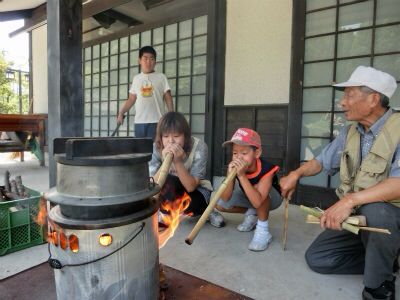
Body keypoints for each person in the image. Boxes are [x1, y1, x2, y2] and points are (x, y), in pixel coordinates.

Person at [280, 66, 400, 300]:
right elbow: (321, 162)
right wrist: (295, 174)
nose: (342, 102)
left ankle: (379, 285)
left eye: (349, 94)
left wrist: (349, 200)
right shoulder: (351, 132)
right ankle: (388, 257)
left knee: (377, 211)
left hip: (390, 216)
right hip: (359, 217)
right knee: (318, 258)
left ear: (374, 98)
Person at [210, 128, 281, 251]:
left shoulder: (267, 169)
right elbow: (226, 198)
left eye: (244, 153)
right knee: (220, 204)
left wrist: (242, 176)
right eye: (235, 153)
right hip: (251, 196)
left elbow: (258, 201)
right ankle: (252, 214)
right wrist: (230, 175)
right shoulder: (234, 166)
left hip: (271, 198)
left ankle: (263, 231)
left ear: (257, 153)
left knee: (257, 190)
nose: (239, 157)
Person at [149, 111, 213, 218]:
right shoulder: (156, 147)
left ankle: (208, 211)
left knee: (194, 203)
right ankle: (168, 214)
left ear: (186, 136)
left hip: (196, 193)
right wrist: (166, 163)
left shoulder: (199, 147)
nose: (171, 141)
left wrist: (178, 162)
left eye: (176, 136)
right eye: (165, 136)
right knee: (167, 182)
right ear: (160, 137)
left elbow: (191, 187)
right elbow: (153, 184)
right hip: (170, 191)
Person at [117, 46, 174, 140]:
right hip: (139, 122)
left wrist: (172, 115)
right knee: (141, 151)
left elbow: (168, 96)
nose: (148, 62)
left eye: (151, 59)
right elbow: (131, 99)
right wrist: (121, 112)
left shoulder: (161, 77)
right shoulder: (136, 78)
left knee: (156, 151)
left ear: (155, 62)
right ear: (139, 60)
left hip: (158, 121)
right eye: (145, 58)